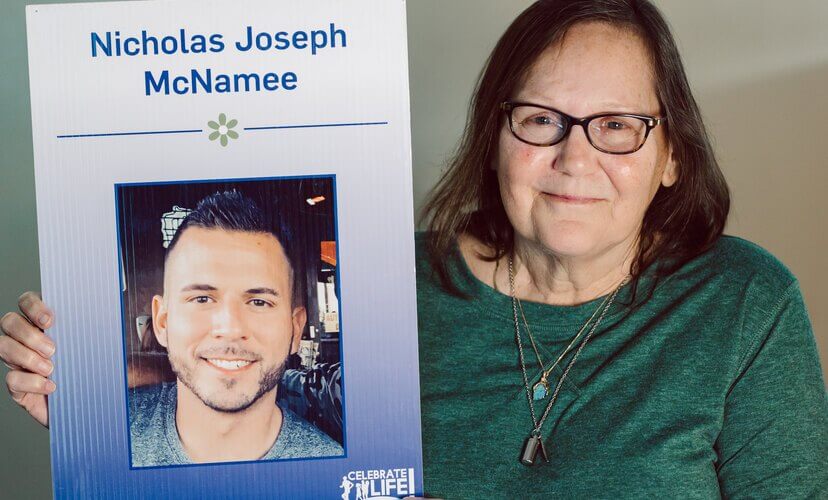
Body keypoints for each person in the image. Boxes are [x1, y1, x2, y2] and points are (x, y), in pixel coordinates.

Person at [1, 0, 826, 496]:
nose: (577, 159)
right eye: (541, 120)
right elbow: (245, 458)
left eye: (618, 126)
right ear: (494, 135)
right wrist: (89, 409)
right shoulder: (386, 286)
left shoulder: (745, 303)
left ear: (672, 151)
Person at [3, 190, 344, 466]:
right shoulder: (103, 435)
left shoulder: (340, 469)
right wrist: (69, 409)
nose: (228, 328)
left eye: (259, 302)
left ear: (295, 329)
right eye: (201, 299)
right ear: (163, 322)